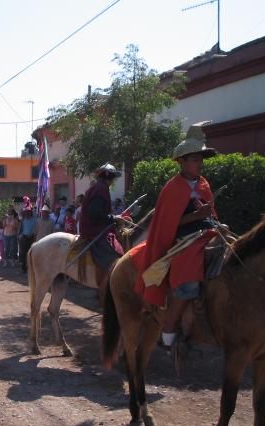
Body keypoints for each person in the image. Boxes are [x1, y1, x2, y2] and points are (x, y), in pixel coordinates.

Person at [130, 122, 218, 351]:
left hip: (207, 232)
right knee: (188, 275)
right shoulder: (173, 188)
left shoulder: (204, 184)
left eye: (201, 160)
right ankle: (168, 329)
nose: (200, 164)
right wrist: (196, 215)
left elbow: (211, 213)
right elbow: (168, 223)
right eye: (195, 160)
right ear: (182, 161)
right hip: (183, 239)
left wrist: (213, 221)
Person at [79, 163, 125, 304]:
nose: (113, 181)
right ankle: (103, 294)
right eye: (113, 178)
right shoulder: (101, 189)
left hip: (96, 228)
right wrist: (113, 218)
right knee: (115, 258)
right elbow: (94, 212)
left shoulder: (97, 187)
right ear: (110, 178)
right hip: (95, 231)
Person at [18, 207, 37, 273]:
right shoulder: (23, 220)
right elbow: (21, 229)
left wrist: (33, 236)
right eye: (25, 213)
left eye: (28, 212)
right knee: (23, 252)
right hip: (24, 237)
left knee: (30, 252)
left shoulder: (34, 220)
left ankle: (30, 266)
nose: (26, 214)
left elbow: (35, 229)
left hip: (31, 237)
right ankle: (24, 266)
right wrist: (20, 235)